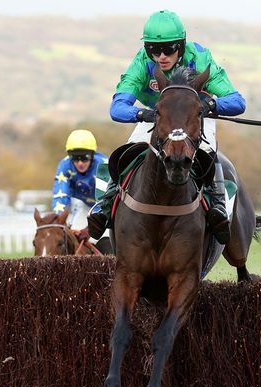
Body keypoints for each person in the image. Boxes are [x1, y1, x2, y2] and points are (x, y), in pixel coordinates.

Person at [87, 9, 246, 244]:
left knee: (208, 150)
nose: (161, 56)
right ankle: (105, 203)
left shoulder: (200, 57)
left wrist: (211, 103)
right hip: (158, 118)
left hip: (193, 118)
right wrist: (143, 113)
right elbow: (117, 107)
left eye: (168, 48)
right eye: (153, 49)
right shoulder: (142, 63)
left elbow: (237, 101)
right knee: (127, 150)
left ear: (181, 45)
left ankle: (218, 205)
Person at [51, 129, 109, 235]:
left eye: (84, 158)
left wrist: (90, 229)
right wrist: (59, 220)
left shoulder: (103, 165)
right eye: (75, 159)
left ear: (92, 155)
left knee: (103, 239)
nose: (80, 163)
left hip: (103, 209)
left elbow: (105, 202)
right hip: (81, 207)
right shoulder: (64, 165)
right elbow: (61, 197)